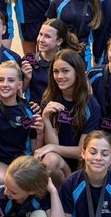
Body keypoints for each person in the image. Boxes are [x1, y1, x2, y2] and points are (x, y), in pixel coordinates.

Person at [37, 50, 102, 184]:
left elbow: (82, 151)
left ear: (77, 72)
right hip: (59, 161)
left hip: (82, 163)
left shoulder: (91, 105)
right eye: (56, 71)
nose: (60, 76)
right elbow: (52, 145)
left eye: (65, 71)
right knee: (50, 160)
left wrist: (52, 147)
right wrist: (46, 119)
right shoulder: (49, 100)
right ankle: (62, 192)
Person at [0, 62, 44, 187]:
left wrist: (40, 133)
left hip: (24, 161)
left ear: (19, 85)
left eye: (11, 80)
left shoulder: (30, 110)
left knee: (25, 181)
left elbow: (35, 150)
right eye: (1, 80)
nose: (5, 84)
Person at [46, 0, 102, 65]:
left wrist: (96, 59)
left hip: (84, 56)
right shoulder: (57, 2)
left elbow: (97, 36)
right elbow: (47, 32)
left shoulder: (95, 6)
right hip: (60, 54)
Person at [22, 18, 82, 104]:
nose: (41, 40)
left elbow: (79, 91)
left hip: (59, 109)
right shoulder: (29, 59)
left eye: (47, 36)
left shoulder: (68, 62)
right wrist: (26, 79)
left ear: (59, 41)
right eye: (40, 34)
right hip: (34, 109)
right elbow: (18, 92)